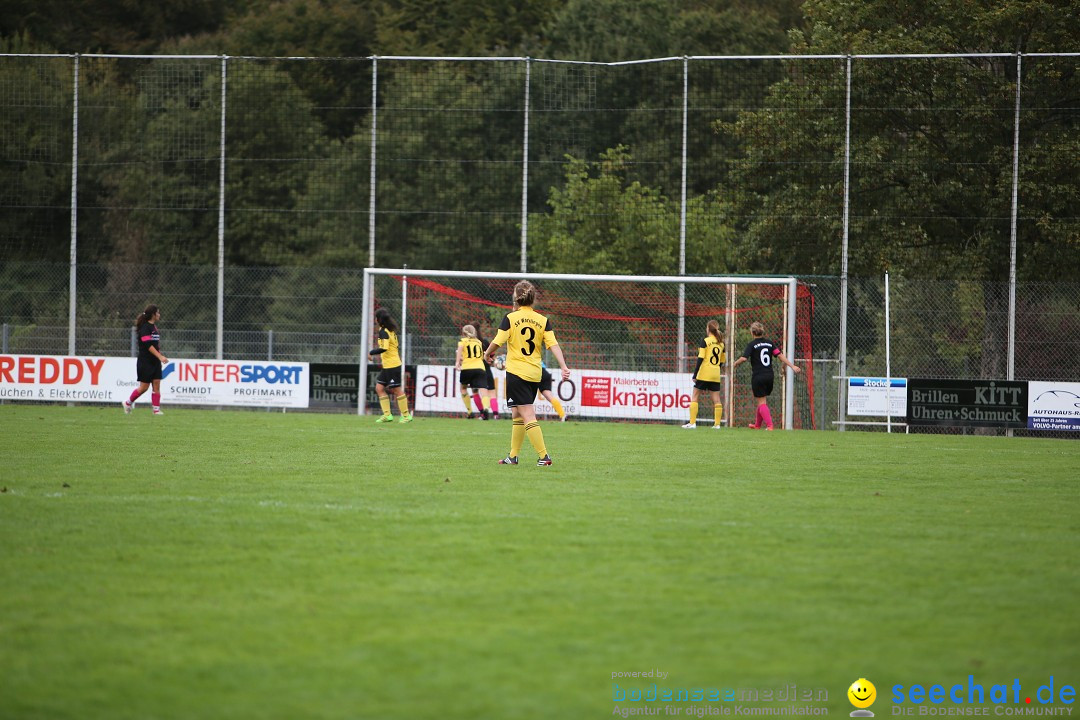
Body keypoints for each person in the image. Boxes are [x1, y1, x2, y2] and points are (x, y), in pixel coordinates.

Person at [484, 281, 570, 466]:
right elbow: (553, 345)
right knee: (517, 413)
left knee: (527, 414)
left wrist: (487, 352)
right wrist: (563, 366)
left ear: (516, 298)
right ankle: (513, 456)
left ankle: (544, 456)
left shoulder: (510, 318)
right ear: (533, 299)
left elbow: (498, 341)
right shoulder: (543, 320)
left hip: (517, 372)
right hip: (534, 373)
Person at [731, 321, 801, 430]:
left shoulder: (752, 344)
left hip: (758, 376)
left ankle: (770, 425)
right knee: (762, 400)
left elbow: (744, 358)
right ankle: (757, 425)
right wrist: (792, 366)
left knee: (761, 402)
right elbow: (780, 355)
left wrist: (735, 363)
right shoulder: (769, 343)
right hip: (769, 376)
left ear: (752, 332)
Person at [368, 307, 413, 424]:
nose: (374, 320)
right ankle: (387, 415)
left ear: (378, 319)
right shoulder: (390, 330)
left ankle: (406, 415)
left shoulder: (384, 331)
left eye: (375, 317)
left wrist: (371, 353)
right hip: (388, 365)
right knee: (379, 388)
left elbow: (384, 348)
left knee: (397, 390)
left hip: (392, 365)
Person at [123, 304, 169, 415]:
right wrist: (160, 356)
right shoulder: (145, 328)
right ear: (153, 314)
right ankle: (128, 403)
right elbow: (148, 346)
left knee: (157, 384)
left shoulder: (154, 327)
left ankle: (156, 410)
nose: (159, 314)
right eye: (157, 312)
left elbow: (155, 344)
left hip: (155, 361)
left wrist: (159, 356)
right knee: (144, 387)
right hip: (145, 362)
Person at [682, 319, 725, 429]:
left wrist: (695, 374)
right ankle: (717, 424)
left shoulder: (705, 341)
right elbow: (722, 362)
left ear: (708, 329)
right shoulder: (721, 343)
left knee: (695, 396)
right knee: (716, 399)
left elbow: (700, 358)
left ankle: (692, 423)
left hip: (705, 372)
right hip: (715, 374)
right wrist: (716, 370)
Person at [455, 324, 490, 419]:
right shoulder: (478, 342)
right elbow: (481, 356)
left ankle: (470, 412)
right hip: (480, 368)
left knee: (463, 388)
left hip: (467, 368)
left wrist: (458, 362)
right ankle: (486, 408)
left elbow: (460, 350)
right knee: (483, 389)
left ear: (463, 333)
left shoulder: (463, 341)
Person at [475, 320, 500, 420]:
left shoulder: (472, 343)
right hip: (488, 370)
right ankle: (495, 414)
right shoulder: (485, 342)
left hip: (477, 371)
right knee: (492, 392)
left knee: (477, 392)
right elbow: (492, 355)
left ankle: (483, 414)